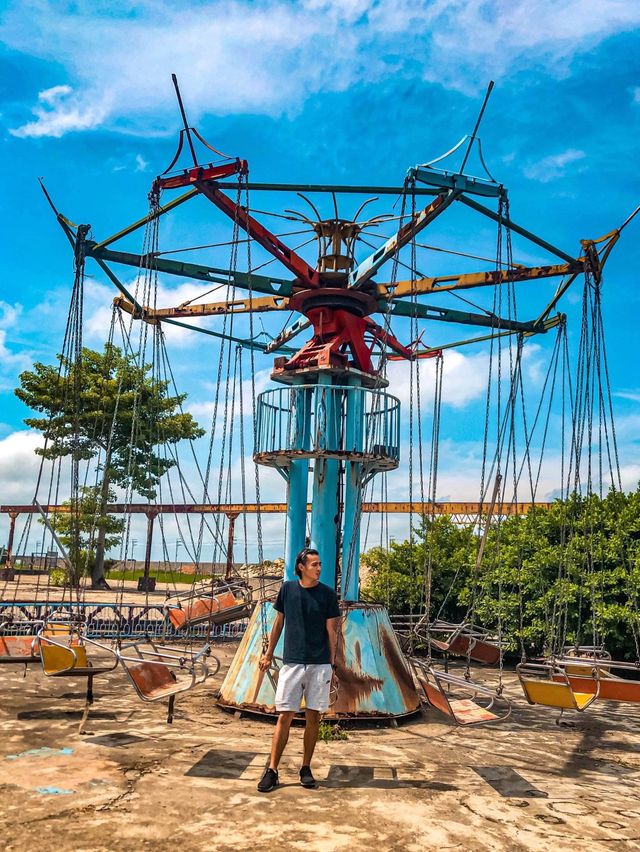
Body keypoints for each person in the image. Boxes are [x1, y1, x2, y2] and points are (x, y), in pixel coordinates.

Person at [257, 547, 341, 793]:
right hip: (292, 662)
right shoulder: (287, 590)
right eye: (314, 564)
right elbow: (278, 623)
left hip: (319, 663)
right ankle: (272, 769)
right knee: (285, 715)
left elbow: (332, 631)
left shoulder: (327, 595)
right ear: (301, 567)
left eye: (320, 564)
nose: (318, 568)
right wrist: (268, 653)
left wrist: (333, 664)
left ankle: (306, 767)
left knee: (313, 716)